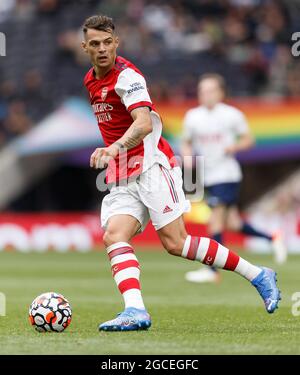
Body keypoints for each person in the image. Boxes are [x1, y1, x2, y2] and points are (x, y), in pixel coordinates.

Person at [81, 15, 280, 332]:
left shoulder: (127, 77)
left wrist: (113, 148)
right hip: (123, 172)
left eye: (108, 42)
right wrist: (116, 152)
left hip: (151, 165)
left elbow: (144, 123)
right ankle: (135, 310)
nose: (102, 49)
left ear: (116, 43)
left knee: (176, 243)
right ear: (85, 47)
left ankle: (258, 274)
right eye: (95, 44)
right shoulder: (90, 81)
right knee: (114, 235)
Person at [182, 74, 287, 284]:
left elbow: (249, 140)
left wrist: (234, 146)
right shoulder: (192, 116)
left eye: (211, 90)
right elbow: (186, 142)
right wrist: (187, 160)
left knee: (215, 219)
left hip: (227, 174)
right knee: (233, 223)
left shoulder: (232, 115)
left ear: (221, 93)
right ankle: (273, 238)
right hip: (208, 175)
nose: (206, 95)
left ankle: (212, 270)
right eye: (203, 91)